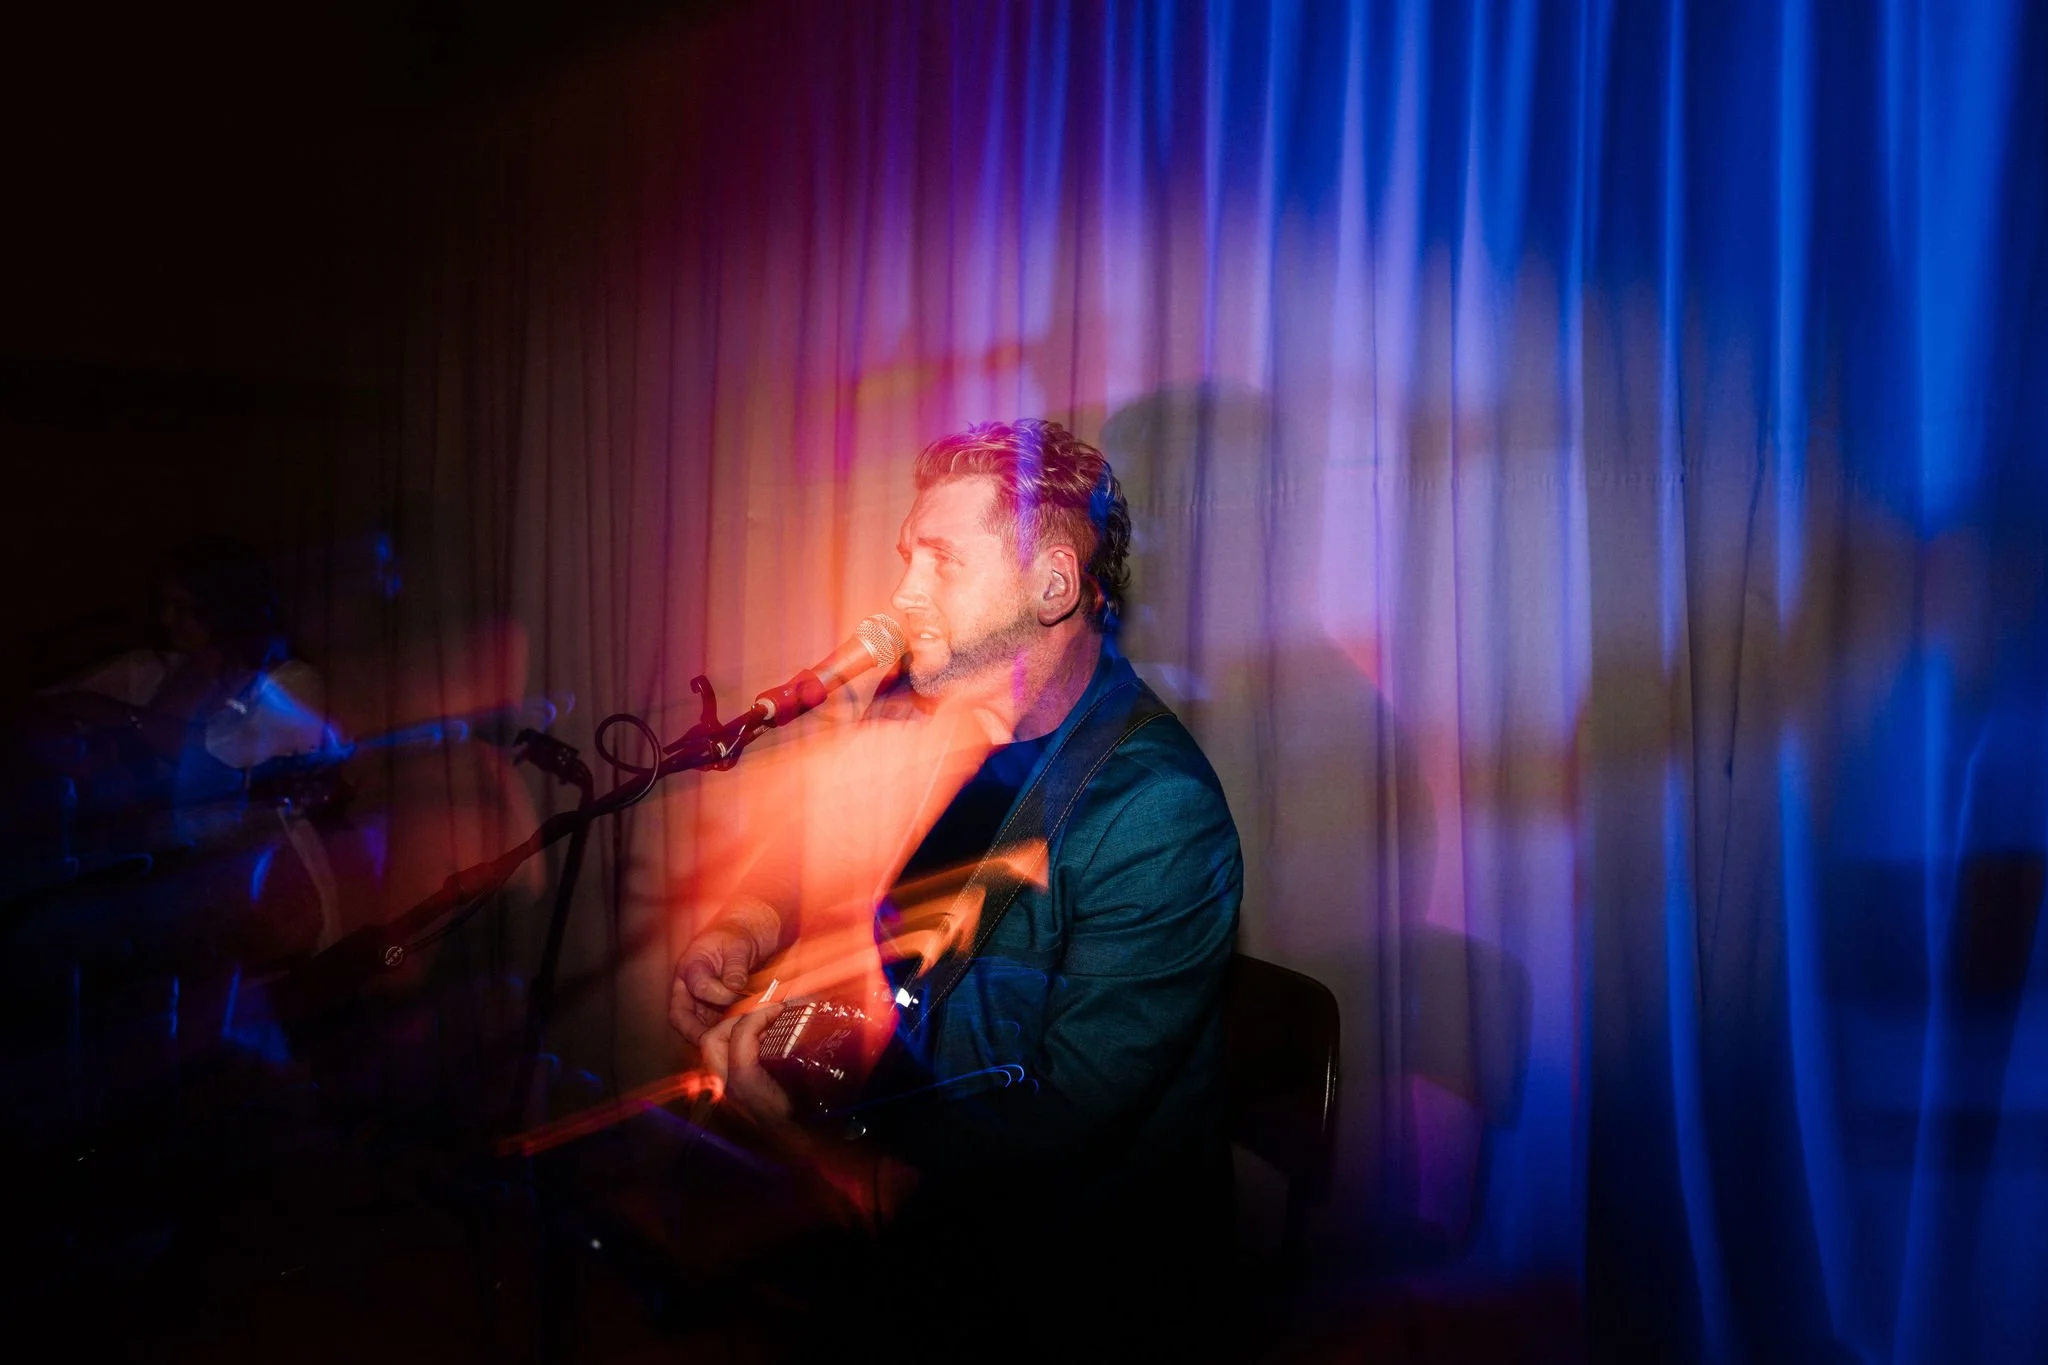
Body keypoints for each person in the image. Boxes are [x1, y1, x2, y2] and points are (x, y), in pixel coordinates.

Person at [668, 419, 1243, 1349]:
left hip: (1079, 1273)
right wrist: (744, 919)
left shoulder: (1157, 812)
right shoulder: (923, 711)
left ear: (1054, 585)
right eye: (906, 558)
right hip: (931, 1205)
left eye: (940, 561)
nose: (901, 594)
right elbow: (806, 839)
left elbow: (1060, 1124)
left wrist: (833, 1112)